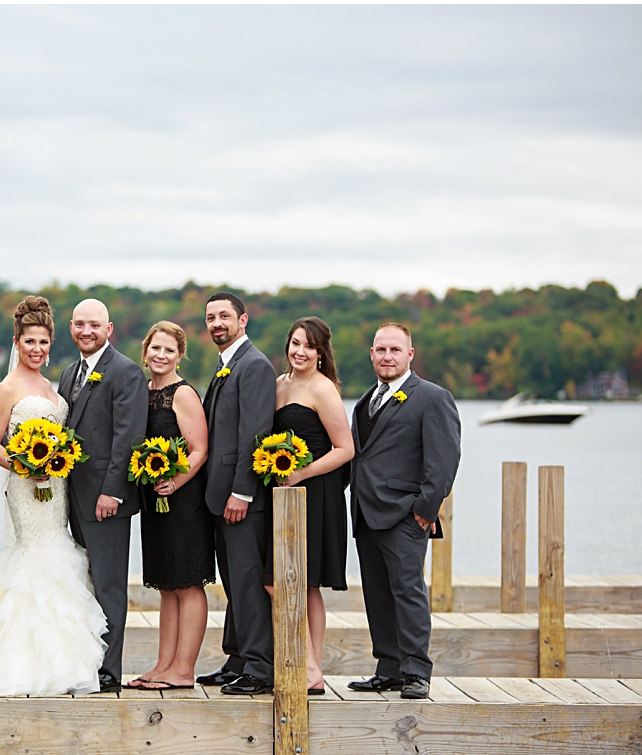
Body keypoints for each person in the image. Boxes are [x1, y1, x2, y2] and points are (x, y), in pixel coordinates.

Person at [0, 296, 107, 695]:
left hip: (56, 486)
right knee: (33, 556)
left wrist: (54, 461)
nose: (37, 350)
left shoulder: (53, 385)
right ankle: (19, 664)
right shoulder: (5, 389)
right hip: (25, 486)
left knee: (58, 554)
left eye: (44, 343)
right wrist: (24, 464)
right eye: (30, 342)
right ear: (17, 342)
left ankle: (61, 663)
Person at [347, 323, 460, 700]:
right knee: (377, 594)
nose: (387, 356)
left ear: (410, 354)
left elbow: (443, 460)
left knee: (408, 591)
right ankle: (389, 668)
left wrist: (424, 511)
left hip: (406, 516)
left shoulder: (432, 398)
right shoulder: (365, 401)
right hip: (366, 514)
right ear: (372, 353)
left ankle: (416, 672)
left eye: (395, 350)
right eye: (380, 350)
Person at [56, 299, 148, 693]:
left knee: (109, 585)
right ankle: (80, 662)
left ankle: (109, 671)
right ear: (72, 328)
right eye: (79, 324)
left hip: (105, 499)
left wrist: (113, 491)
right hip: (68, 499)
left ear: (108, 329)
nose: (86, 331)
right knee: (78, 583)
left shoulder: (125, 372)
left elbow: (128, 437)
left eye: (94, 325)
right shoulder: (68, 373)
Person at [195, 291, 278, 695]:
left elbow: (255, 434)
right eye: (211, 318)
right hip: (219, 495)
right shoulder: (226, 365)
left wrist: (242, 492)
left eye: (224, 316)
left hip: (242, 499)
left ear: (243, 321)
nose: (217, 324)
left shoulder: (255, 365)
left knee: (246, 581)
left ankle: (262, 667)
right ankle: (239, 657)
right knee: (233, 582)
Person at [269, 317, 355, 694]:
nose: (300, 351)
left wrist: (302, 474)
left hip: (315, 495)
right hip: (283, 494)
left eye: (309, 346)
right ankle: (304, 665)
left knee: (302, 583)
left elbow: (345, 449)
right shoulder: (280, 384)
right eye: (295, 343)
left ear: (321, 353)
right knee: (285, 582)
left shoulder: (323, 389)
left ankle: (311, 669)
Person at [128, 321, 214, 691]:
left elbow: (200, 450)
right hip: (154, 499)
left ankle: (183, 669)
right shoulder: (142, 391)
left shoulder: (183, 394)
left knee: (188, 582)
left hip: (183, 501)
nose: (160, 355)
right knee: (166, 584)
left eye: (169, 350)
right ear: (145, 351)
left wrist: (175, 482)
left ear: (180, 355)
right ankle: (163, 664)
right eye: (155, 348)